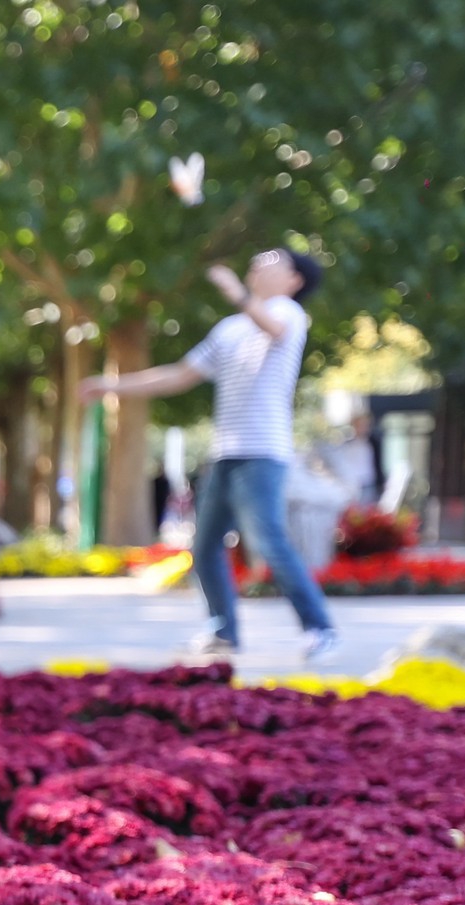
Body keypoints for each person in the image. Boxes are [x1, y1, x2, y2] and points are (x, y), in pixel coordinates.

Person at [83, 247, 338, 663]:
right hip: (226, 455)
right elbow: (179, 375)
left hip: (263, 453)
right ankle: (223, 633)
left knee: (268, 541)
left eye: (273, 261)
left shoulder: (288, 314)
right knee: (203, 547)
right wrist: (111, 386)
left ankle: (319, 628)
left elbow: (271, 327)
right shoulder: (230, 329)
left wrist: (236, 291)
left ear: (294, 281)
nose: (259, 262)